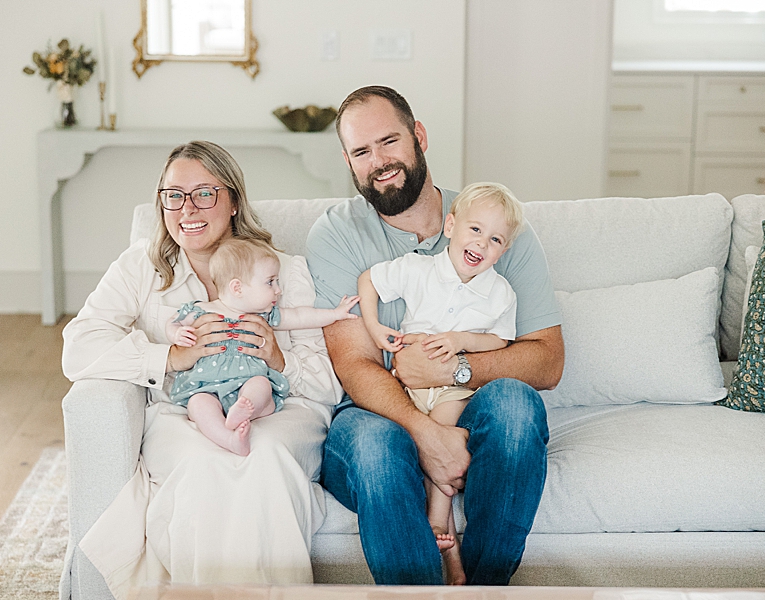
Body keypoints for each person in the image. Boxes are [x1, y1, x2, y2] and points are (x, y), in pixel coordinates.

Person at [305, 86, 565, 585]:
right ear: (348, 161)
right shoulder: (336, 234)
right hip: (375, 414)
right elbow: (356, 364)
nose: (379, 161)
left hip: (465, 399)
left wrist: (456, 368)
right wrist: (427, 435)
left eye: (389, 141)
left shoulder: (494, 227)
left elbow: (547, 361)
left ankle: (485, 592)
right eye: (362, 152)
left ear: (419, 136)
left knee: (515, 406)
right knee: (376, 446)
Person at [62, 141, 343, 599]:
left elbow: (327, 385)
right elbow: (78, 348)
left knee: (263, 458)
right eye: (173, 195)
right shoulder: (143, 267)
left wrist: (276, 357)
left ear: (233, 200)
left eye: (204, 194)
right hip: (186, 412)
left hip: (278, 408)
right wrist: (168, 359)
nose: (186, 208)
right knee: (199, 463)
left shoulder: (284, 271)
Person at [356, 181, 524, 581]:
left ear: (503, 250)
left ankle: (437, 523)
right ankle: (451, 558)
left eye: (496, 239)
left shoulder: (500, 293)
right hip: (408, 386)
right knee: (410, 444)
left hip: (454, 388)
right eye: (475, 230)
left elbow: (501, 339)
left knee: (443, 433)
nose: (482, 244)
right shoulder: (418, 269)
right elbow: (369, 281)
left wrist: (462, 340)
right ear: (450, 226)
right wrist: (375, 327)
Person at [165, 237, 359, 456]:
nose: (278, 290)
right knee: (198, 404)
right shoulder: (202, 311)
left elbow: (300, 316)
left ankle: (245, 408)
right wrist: (177, 333)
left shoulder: (264, 316)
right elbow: (173, 321)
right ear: (237, 287)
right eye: (271, 282)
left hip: (247, 381)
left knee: (261, 384)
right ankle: (228, 437)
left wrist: (335, 314)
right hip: (206, 386)